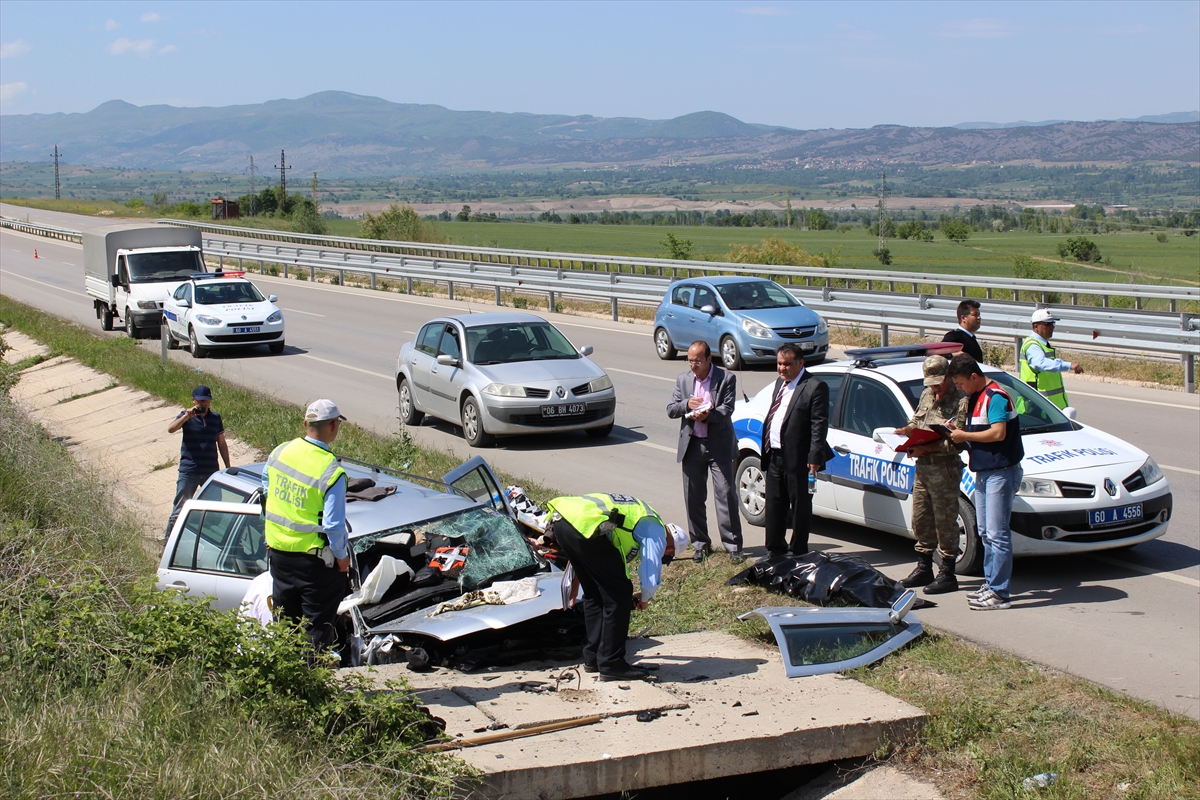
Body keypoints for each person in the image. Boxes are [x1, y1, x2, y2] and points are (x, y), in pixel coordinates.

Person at [544, 493, 679, 682]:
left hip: (563, 521)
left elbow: (589, 548)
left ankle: (593, 658)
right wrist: (646, 597)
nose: (665, 556)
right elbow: (650, 568)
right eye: (667, 554)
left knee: (595, 592)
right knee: (620, 594)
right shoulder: (655, 528)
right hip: (583, 527)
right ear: (671, 547)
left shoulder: (638, 515)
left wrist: (575, 581)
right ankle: (611, 663)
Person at [262, 399, 351, 650]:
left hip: (278, 556)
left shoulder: (279, 452)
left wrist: (269, 535)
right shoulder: (330, 470)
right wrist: (342, 557)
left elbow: (266, 496)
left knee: (285, 625)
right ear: (334, 426)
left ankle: (286, 682)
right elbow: (333, 525)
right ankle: (312, 682)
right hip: (314, 564)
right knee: (316, 630)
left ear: (305, 423)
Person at [947, 355, 1024, 611]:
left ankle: (1000, 593)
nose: (959, 388)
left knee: (997, 534)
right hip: (985, 472)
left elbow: (998, 432)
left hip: (1000, 473)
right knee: (985, 533)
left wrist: (964, 435)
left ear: (973, 376)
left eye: (960, 383)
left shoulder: (995, 397)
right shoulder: (976, 398)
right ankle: (991, 584)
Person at [892, 355, 968, 595]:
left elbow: (958, 441)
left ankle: (947, 572)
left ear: (948, 377)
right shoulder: (927, 395)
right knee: (921, 518)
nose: (935, 387)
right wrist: (906, 431)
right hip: (923, 468)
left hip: (944, 469)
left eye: (939, 382)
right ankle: (924, 566)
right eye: (931, 382)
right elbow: (918, 421)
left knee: (945, 521)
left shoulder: (960, 400)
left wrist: (925, 448)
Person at [667, 340, 743, 563]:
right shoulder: (683, 380)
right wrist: (687, 405)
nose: (693, 365)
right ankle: (700, 543)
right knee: (693, 497)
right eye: (690, 361)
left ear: (709, 359)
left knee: (726, 494)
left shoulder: (726, 378)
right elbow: (671, 409)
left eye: (698, 361)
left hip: (718, 444)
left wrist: (708, 415)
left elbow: (727, 409)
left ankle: (733, 546)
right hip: (693, 445)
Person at [760, 343, 834, 560]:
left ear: (801, 363)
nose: (782, 368)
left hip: (799, 459)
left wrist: (815, 456)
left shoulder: (814, 386)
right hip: (774, 455)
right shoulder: (779, 383)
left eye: (787, 364)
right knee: (774, 505)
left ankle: (798, 551)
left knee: (800, 506)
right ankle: (775, 550)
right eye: (779, 364)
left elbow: (818, 424)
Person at [166, 385, 231, 534]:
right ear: (193, 401)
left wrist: (227, 466)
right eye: (201, 401)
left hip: (210, 470)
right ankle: (168, 543)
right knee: (179, 509)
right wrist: (186, 417)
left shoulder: (215, 418)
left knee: (215, 509)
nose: (204, 404)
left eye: (207, 401)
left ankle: (204, 537)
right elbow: (171, 429)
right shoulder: (186, 417)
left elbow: (221, 442)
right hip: (189, 471)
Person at [1020, 308, 1083, 409]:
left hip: (1050, 407)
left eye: (1052, 323)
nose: (1052, 327)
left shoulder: (1043, 344)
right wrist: (1068, 365)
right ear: (1036, 326)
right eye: (1047, 324)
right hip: (1037, 407)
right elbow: (1041, 363)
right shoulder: (1032, 345)